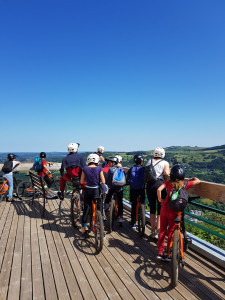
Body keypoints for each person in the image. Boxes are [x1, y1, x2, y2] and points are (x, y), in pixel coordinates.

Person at [157, 164, 200, 261]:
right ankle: (168, 253)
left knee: (163, 230)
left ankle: (160, 252)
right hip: (175, 212)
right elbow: (198, 181)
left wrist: (160, 200)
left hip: (164, 208)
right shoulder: (184, 184)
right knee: (171, 231)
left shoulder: (168, 183)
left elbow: (159, 189)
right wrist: (191, 179)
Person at [145, 147, 170, 238]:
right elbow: (166, 174)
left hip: (149, 186)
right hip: (159, 185)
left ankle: (152, 232)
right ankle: (159, 232)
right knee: (160, 209)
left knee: (152, 208)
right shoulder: (165, 163)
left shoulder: (149, 161)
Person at [80, 153, 105, 238]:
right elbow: (103, 181)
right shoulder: (99, 168)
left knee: (86, 208)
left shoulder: (85, 168)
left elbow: (81, 182)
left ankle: (84, 229)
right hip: (96, 190)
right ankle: (101, 223)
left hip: (88, 190)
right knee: (99, 206)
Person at [104, 156, 124, 226]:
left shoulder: (110, 169)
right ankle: (121, 218)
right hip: (119, 188)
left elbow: (107, 179)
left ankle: (104, 214)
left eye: (109, 162)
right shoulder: (121, 169)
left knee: (107, 200)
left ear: (113, 163)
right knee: (120, 202)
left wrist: (106, 183)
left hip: (111, 188)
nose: (108, 163)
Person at [127, 154, 145, 229]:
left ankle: (133, 222)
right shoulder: (143, 169)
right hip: (141, 189)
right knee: (142, 203)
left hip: (133, 189)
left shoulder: (131, 168)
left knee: (134, 205)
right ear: (141, 162)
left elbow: (127, 178)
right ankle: (142, 220)